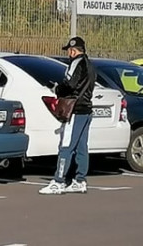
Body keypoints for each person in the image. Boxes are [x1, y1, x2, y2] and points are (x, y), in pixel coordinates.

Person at [39, 35, 97, 195]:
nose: (68, 54)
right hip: (86, 109)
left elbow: (70, 84)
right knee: (81, 147)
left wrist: (57, 89)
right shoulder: (90, 65)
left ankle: (58, 181)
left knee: (66, 145)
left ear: (73, 51)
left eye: (69, 51)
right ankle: (80, 180)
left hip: (74, 109)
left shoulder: (76, 63)